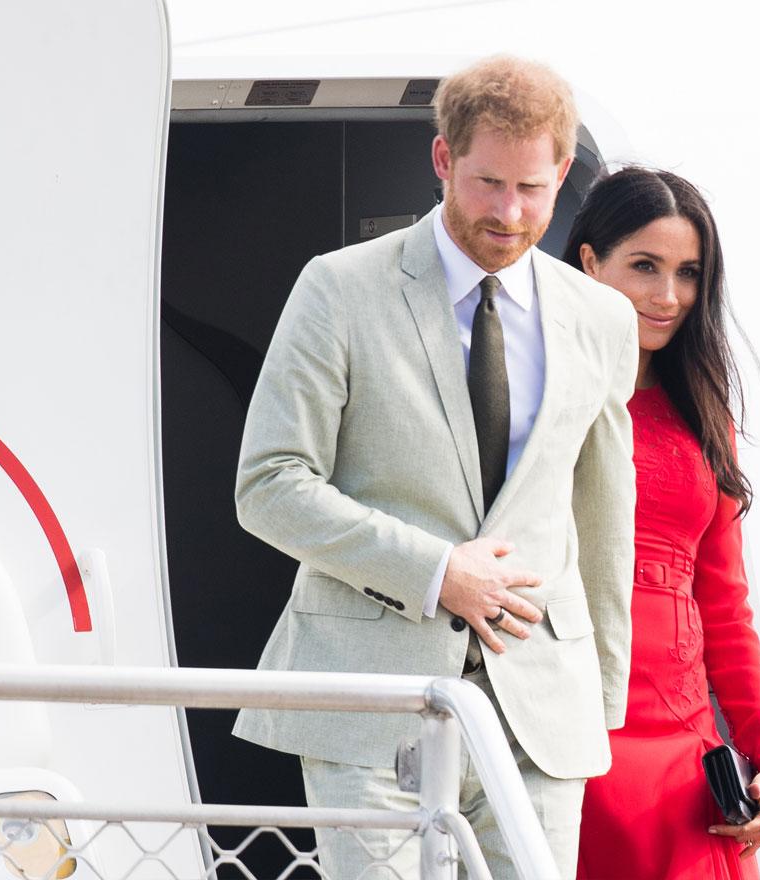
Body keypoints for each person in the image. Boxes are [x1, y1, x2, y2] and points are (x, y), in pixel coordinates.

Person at [230, 56, 639, 879]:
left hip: (540, 714)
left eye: (532, 187)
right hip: (368, 704)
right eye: (488, 182)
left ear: (563, 171)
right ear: (443, 159)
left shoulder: (601, 318)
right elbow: (269, 484)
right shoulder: (339, 289)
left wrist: (598, 707)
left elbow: (602, 523)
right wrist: (435, 572)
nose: (509, 211)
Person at [562, 167, 760, 880]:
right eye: (645, 267)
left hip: (685, 759)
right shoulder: (537, 394)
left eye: (688, 273)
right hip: (569, 735)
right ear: (589, 263)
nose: (669, 297)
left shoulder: (703, 415)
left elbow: (724, 604)